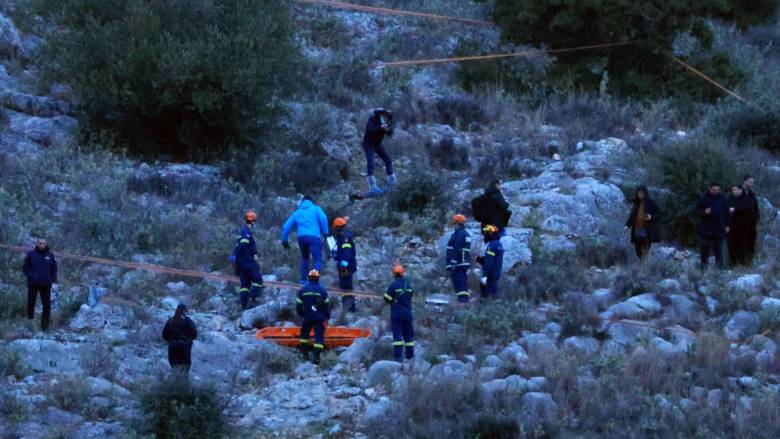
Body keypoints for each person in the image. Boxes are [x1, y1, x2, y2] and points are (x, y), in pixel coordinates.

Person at [281, 196, 330, 285]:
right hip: (314, 237)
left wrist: (284, 240)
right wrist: (325, 232)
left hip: (301, 238)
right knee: (317, 259)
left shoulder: (297, 212)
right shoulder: (316, 209)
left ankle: (303, 280)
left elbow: (286, 226)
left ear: (302, 202)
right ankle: (313, 281)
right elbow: (323, 218)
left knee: (305, 258)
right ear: (311, 201)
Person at [296, 270, 330, 365]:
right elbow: (327, 306)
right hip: (319, 318)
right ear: (318, 279)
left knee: (304, 335)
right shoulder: (323, 291)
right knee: (319, 337)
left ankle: (304, 355)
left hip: (308, 317)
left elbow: (298, 305)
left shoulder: (303, 290)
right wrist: (327, 317)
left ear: (309, 278)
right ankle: (317, 358)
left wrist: (301, 314)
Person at [22, 238, 57, 331]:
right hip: (33, 283)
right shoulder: (31, 254)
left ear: (46, 244)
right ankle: (30, 324)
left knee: (47, 306)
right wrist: (31, 276)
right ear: (37, 243)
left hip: (46, 285)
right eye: (40, 243)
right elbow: (25, 268)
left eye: (43, 243)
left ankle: (44, 328)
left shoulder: (50, 255)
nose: (42, 245)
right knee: (31, 303)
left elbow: (54, 268)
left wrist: (52, 278)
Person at [383, 265, 414, 362]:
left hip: (397, 315)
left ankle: (398, 358)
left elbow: (386, 298)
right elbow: (411, 295)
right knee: (408, 337)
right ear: (402, 273)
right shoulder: (408, 285)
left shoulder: (393, 285)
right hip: (408, 314)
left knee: (397, 337)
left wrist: (392, 300)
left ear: (394, 274)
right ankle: (410, 357)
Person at [233, 210, 263, 310]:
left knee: (245, 284)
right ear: (253, 221)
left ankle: (244, 306)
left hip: (241, 262)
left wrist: (236, 260)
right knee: (258, 280)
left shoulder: (242, 231)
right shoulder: (246, 232)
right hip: (247, 261)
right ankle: (251, 299)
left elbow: (238, 247)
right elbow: (243, 245)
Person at [696, 182, 730, 270]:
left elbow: (727, 213)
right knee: (705, 248)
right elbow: (696, 210)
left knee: (718, 249)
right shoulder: (703, 197)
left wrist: (727, 225)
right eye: (714, 190)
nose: (716, 191)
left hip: (719, 228)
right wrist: (704, 212)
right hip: (706, 228)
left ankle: (719, 269)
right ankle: (703, 268)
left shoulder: (723, 198)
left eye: (718, 190)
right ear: (709, 188)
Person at [624, 185, 662, 260]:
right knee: (638, 250)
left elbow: (659, 213)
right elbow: (632, 215)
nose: (640, 195)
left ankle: (645, 263)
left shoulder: (651, 202)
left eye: (641, 193)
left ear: (645, 193)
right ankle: (642, 261)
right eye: (638, 194)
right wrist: (627, 225)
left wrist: (651, 217)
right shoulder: (637, 203)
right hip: (637, 229)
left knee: (645, 248)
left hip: (647, 229)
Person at [363, 108, 396, 193]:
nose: (385, 118)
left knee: (388, 160)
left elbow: (390, 133)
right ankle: (372, 185)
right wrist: (380, 127)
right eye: (384, 116)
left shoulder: (387, 122)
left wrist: (387, 130)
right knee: (370, 161)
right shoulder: (372, 119)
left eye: (387, 117)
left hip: (377, 144)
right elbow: (370, 129)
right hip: (369, 143)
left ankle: (392, 181)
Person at [162, 303, 198, 375]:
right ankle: (183, 381)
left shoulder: (170, 320)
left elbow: (164, 334)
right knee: (185, 369)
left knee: (174, 368)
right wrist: (189, 340)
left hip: (173, 347)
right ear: (184, 311)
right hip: (185, 347)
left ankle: (174, 381)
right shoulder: (188, 321)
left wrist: (171, 341)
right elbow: (194, 333)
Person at [331, 217, 358, 312]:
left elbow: (346, 250)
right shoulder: (344, 235)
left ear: (338, 227)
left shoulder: (345, 236)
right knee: (344, 286)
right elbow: (343, 251)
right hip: (346, 265)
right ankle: (348, 307)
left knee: (346, 286)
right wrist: (336, 255)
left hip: (346, 266)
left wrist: (343, 263)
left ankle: (349, 308)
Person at [445, 214, 472, 303]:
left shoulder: (460, 234)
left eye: (454, 223)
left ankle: (463, 301)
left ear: (458, 223)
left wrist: (453, 261)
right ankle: (463, 301)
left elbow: (457, 248)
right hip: (462, 262)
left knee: (459, 283)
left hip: (458, 264)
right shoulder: (465, 233)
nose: (454, 226)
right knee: (461, 282)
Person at [728, 184, 753, 267]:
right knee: (732, 246)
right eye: (732, 190)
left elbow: (747, 209)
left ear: (740, 190)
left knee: (743, 245)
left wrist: (735, 209)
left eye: (735, 189)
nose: (733, 191)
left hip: (744, 227)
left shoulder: (746, 199)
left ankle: (744, 264)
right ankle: (735, 264)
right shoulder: (729, 199)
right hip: (732, 226)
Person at [477, 225, 504, 299]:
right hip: (496, 272)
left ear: (490, 234)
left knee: (486, 293)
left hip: (490, 274)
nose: (485, 235)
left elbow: (489, 262)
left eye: (486, 233)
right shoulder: (499, 244)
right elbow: (494, 259)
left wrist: (485, 275)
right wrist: (482, 260)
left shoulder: (492, 245)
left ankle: (488, 304)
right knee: (493, 291)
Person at [742, 175, 760, 265]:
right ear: (744, 181)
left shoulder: (752, 194)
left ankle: (749, 262)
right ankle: (740, 264)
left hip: (751, 223)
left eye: (752, 182)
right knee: (741, 243)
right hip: (740, 224)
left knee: (751, 243)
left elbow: (756, 207)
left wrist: (757, 217)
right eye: (750, 182)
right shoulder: (738, 192)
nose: (751, 184)